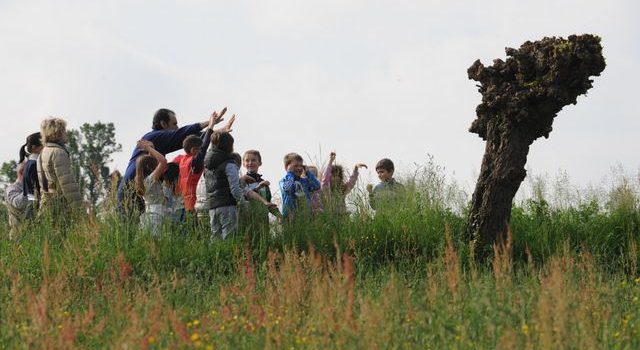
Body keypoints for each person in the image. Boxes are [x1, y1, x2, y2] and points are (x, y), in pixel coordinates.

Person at [117, 107, 232, 215]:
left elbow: (189, 140)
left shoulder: (160, 141)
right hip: (129, 192)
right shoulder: (153, 137)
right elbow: (181, 134)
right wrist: (209, 123)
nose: (177, 127)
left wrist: (218, 132)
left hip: (137, 192)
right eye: (174, 124)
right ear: (163, 124)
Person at [204, 132, 275, 240]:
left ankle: (214, 256)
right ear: (229, 146)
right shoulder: (229, 164)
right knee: (229, 236)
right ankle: (228, 256)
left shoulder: (208, 164)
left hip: (212, 205)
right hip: (227, 204)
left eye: (253, 160)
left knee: (215, 236)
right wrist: (242, 203)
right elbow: (235, 188)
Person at [172, 112, 227, 215]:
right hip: (196, 206)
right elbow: (204, 146)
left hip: (183, 205)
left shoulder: (181, 160)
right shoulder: (194, 162)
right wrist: (211, 126)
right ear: (194, 150)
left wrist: (218, 132)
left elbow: (200, 142)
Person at [37, 117, 84, 215]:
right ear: (57, 133)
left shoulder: (42, 154)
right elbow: (67, 185)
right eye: (64, 130)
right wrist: (80, 210)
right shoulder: (58, 153)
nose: (66, 133)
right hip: (61, 208)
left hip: (46, 206)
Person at [134, 140, 168, 236]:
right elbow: (163, 161)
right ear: (150, 168)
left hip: (151, 214)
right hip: (156, 215)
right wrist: (149, 148)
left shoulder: (143, 181)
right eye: (155, 166)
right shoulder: (150, 180)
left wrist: (151, 149)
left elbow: (152, 161)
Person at [240, 150, 277, 234]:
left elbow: (268, 202)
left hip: (263, 219)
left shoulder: (263, 182)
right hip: (248, 218)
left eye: (253, 160)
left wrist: (279, 216)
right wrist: (258, 187)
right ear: (243, 164)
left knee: (264, 241)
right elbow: (245, 196)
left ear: (260, 163)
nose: (250, 162)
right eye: (247, 160)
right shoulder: (242, 180)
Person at [279, 153, 321, 219]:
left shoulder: (305, 181)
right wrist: (290, 174)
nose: (299, 168)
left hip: (305, 216)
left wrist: (308, 173)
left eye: (301, 165)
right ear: (287, 167)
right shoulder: (283, 181)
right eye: (295, 166)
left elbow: (317, 186)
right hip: (290, 217)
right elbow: (287, 189)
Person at [4, 162, 30, 239]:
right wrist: (28, 189)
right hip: (18, 236)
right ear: (23, 172)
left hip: (32, 234)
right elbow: (18, 203)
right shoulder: (12, 189)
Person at [20, 132, 44, 206]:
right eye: (43, 145)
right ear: (34, 148)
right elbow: (37, 189)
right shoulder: (34, 164)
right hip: (35, 205)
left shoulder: (29, 163)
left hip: (30, 203)